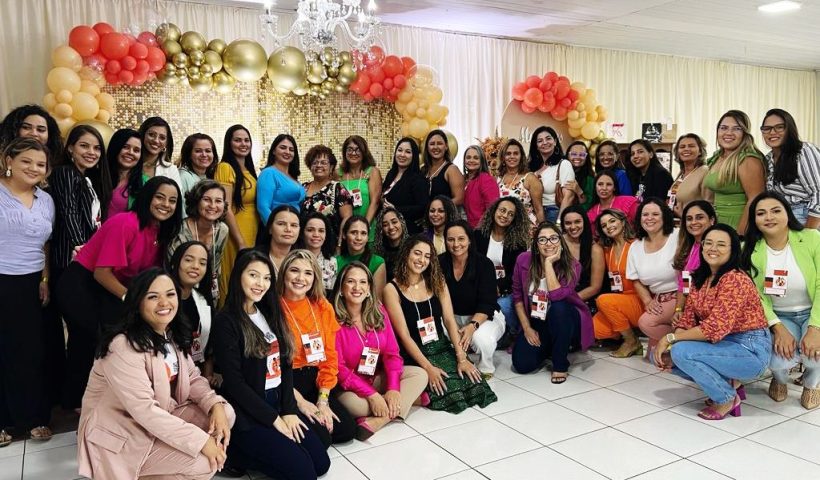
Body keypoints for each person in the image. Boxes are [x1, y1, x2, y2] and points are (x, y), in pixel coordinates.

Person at [77, 268, 235, 479]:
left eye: (170, 294)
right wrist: (201, 442)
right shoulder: (123, 345)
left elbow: (193, 378)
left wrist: (215, 405)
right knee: (203, 462)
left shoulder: (168, 334)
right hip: (122, 432)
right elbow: (145, 411)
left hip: (156, 417)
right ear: (137, 302)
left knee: (225, 415)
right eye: (153, 297)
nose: (164, 303)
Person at [57, 176, 182, 410]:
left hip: (111, 287)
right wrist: (132, 300)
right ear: (147, 198)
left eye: (172, 200)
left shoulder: (160, 233)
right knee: (94, 339)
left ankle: (83, 399)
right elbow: (101, 273)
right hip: (82, 283)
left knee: (105, 339)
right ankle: (81, 403)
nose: (166, 204)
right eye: (160, 197)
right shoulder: (126, 222)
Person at [212, 250, 330, 479]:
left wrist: (288, 411)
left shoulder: (268, 310)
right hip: (248, 411)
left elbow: (285, 364)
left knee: (321, 462)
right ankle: (237, 453)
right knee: (305, 474)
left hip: (277, 400)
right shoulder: (226, 321)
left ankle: (263, 452)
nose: (261, 283)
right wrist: (274, 419)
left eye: (266, 278)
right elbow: (235, 384)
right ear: (238, 276)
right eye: (253, 275)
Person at [658, 224, 771, 420]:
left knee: (681, 352)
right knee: (664, 356)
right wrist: (671, 344)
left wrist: (670, 339)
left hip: (749, 349)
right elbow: (687, 319)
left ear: (733, 250)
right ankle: (731, 383)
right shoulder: (701, 277)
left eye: (721, 244)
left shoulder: (735, 279)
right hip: (722, 344)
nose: (713, 248)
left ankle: (726, 398)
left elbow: (713, 329)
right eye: (708, 243)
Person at [382, 235, 497, 412]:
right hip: (415, 352)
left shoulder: (437, 280)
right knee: (452, 393)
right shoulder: (391, 289)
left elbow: (449, 320)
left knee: (476, 385)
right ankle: (419, 395)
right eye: (417, 253)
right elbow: (404, 336)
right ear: (406, 254)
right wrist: (428, 368)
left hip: (440, 346)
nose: (422, 260)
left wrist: (461, 357)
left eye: (427, 256)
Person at [46, 125, 111, 406]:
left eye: (96, 148)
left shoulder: (86, 179)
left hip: (86, 265)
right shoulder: (64, 173)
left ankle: (77, 396)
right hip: (71, 263)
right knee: (84, 331)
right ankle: (74, 397)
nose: (91, 152)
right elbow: (68, 212)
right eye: (84, 145)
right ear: (70, 148)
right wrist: (82, 248)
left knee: (83, 335)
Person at [739, 192, 820, 410]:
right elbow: (754, 295)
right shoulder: (748, 249)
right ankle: (779, 378)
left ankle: (812, 383)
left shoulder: (812, 238)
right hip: (778, 316)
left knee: (815, 354)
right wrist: (777, 327)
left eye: (776, 211)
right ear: (754, 219)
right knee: (777, 359)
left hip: (813, 311)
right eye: (761, 213)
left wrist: (815, 328)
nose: (769, 217)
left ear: (787, 213)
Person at [333, 262, 428, 439]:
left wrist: (393, 388)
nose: (357, 287)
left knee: (420, 375)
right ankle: (406, 401)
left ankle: (381, 419)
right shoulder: (332, 319)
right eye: (351, 282)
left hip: (376, 377)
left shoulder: (379, 311)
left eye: (363, 282)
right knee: (352, 406)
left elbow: (392, 354)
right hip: (350, 386)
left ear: (369, 288)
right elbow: (339, 369)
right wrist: (372, 395)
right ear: (341, 288)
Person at [0, 138, 54, 446]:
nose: (34, 168)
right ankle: (3, 421)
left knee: (32, 352)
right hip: (2, 278)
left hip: (32, 282)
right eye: (27, 161)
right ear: (9, 160)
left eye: (41, 164)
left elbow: (45, 243)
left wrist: (45, 278)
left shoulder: (45, 200)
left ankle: (34, 418)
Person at [277, 250, 356, 446]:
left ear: (315, 278)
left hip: (314, 379)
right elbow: (272, 368)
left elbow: (329, 357)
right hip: (286, 382)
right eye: (294, 270)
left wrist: (323, 400)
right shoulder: (273, 308)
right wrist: (301, 403)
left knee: (346, 430)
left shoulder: (321, 306)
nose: (300, 278)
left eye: (308, 273)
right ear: (284, 273)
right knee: (323, 438)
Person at [511, 222, 594, 383]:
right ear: (536, 245)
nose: (548, 243)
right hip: (538, 320)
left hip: (566, 319)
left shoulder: (573, 265)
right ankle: (551, 346)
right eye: (542, 240)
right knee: (522, 364)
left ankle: (560, 364)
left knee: (559, 307)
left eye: (553, 238)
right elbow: (518, 297)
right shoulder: (523, 260)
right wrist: (527, 328)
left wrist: (548, 263)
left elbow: (556, 296)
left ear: (561, 241)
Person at [439, 220, 505, 376]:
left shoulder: (484, 264)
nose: (456, 244)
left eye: (461, 239)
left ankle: (486, 367)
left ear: (469, 240)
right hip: (451, 316)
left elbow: (487, 303)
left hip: (484, 317)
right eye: (451, 239)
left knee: (481, 339)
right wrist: (452, 324)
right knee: (437, 336)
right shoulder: (439, 263)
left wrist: (471, 326)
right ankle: (462, 360)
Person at [473, 197, 530, 346]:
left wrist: (498, 286)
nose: (505, 216)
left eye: (510, 214)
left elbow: (516, 274)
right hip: (481, 286)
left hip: (506, 289)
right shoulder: (478, 235)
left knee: (502, 305)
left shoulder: (519, 243)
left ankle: (512, 333)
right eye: (502, 210)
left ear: (514, 219)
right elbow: (473, 265)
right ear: (494, 211)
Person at [627, 198, 679, 357]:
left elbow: (689, 271)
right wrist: (647, 301)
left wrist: (682, 304)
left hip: (681, 295)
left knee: (646, 323)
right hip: (658, 298)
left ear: (664, 217)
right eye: (645, 214)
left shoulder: (677, 236)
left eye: (655, 214)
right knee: (652, 357)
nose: (649, 218)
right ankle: (678, 339)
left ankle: (684, 339)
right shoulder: (635, 246)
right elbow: (635, 279)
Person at [215, 125, 259, 306]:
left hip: (251, 234)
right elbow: (225, 207)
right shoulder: (225, 168)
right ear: (229, 143)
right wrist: (240, 242)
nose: (243, 144)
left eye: (246, 140)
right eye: (237, 140)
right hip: (235, 236)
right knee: (235, 280)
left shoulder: (249, 169)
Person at [703, 110, 766, 234]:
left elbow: (755, 199)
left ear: (744, 133)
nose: (728, 133)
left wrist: (740, 235)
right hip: (717, 225)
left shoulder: (748, 159)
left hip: (737, 225)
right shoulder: (717, 157)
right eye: (723, 128)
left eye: (737, 129)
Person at [592, 209, 644, 357]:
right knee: (594, 328)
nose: (608, 226)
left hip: (640, 299)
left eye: (612, 221)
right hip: (620, 301)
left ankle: (631, 340)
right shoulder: (608, 249)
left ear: (622, 221)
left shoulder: (637, 244)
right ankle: (627, 329)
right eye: (604, 225)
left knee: (603, 300)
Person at [168, 180, 229, 302]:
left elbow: (215, 267)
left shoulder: (223, 230)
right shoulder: (178, 230)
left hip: (207, 291)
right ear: (196, 201)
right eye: (206, 199)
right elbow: (170, 268)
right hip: (176, 291)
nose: (212, 205)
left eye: (218, 201)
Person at [761, 108, 820, 228]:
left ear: (789, 129)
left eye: (779, 127)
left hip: (804, 216)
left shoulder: (804, 151)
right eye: (767, 128)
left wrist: (809, 232)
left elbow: (818, 192)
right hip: (780, 217)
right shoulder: (768, 158)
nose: (772, 132)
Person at [168, 242, 216, 381]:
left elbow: (208, 348)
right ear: (175, 263)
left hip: (195, 376)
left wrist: (208, 376)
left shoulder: (203, 300)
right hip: (167, 374)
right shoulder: (163, 300)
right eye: (189, 260)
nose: (195, 266)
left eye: (202, 263)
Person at [671, 201, 717, 324]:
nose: (694, 222)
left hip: (711, 309)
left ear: (712, 220)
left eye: (699, 217)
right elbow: (683, 284)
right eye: (689, 219)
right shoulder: (688, 248)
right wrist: (679, 310)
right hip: (691, 305)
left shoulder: (717, 248)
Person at [300, 144, 352, 236]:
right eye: (315, 163)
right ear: (310, 167)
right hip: (303, 240)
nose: (319, 165)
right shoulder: (302, 188)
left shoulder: (338, 188)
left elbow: (347, 218)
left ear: (331, 167)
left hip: (329, 241)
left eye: (323, 163)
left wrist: (340, 241)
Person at [127, 117, 182, 203]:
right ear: (142, 135)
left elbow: (176, 201)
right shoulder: (128, 161)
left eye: (162, 138)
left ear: (166, 143)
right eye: (151, 134)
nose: (156, 140)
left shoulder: (171, 170)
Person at [339, 135, 382, 240]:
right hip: (345, 231)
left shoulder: (372, 171)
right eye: (350, 149)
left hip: (368, 228)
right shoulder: (338, 174)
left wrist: (363, 228)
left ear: (364, 152)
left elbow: (375, 202)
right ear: (344, 152)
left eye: (358, 150)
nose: (353, 153)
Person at [381, 137, 429, 234]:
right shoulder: (391, 174)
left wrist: (396, 210)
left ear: (414, 156)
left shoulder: (418, 179)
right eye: (400, 150)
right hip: (388, 230)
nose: (402, 154)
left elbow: (423, 207)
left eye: (408, 152)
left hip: (407, 231)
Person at [561, 206, 604, 310]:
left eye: (577, 222)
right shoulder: (557, 242)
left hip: (582, 297)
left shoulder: (595, 249)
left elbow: (595, 287)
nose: (573, 227)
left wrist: (569, 301)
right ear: (563, 225)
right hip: (557, 294)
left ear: (585, 222)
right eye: (568, 223)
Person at [257, 134, 305, 224]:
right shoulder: (268, 173)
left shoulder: (292, 177)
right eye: (283, 148)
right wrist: (274, 227)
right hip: (278, 229)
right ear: (274, 151)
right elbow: (263, 207)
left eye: (291, 150)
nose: (287, 152)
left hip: (294, 228)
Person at [529, 126, 574, 221]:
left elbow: (569, 197)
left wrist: (559, 222)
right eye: (540, 141)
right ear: (536, 146)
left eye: (548, 138)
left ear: (555, 141)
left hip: (554, 213)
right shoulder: (532, 168)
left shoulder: (564, 164)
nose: (545, 142)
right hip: (533, 214)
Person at [336, 216, 387, 298]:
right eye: (354, 232)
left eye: (363, 233)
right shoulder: (335, 261)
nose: (359, 238)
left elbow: (377, 299)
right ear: (344, 235)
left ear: (368, 237)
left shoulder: (377, 262)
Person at [496, 138, 544, 225]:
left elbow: (539, 209)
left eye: (516, 153)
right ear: (503, 157)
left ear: (521, 157)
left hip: (526, 227)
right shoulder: (498, 179)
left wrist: (544, 229)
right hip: (504, 227)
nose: (512, 156)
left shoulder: (530, 178)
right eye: (508, 154)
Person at [669, 134, 711, 217]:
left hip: (694, 222)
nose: (686, 149)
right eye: (682, 147)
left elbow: (709, 204)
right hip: (679, 221)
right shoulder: (682, 173)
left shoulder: (705, 171)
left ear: (700, 151)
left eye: (691, 146)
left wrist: (684, 215)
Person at [297, 212, 338, 294]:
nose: (316, 234)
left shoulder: (332, 262)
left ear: (326, 235)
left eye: (321, 231)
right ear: (302, 233)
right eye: (310, 230)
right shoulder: (294, 259)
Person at [105, 129, 142, 218]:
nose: (130, 153)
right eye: (125, 147)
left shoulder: (145, 183)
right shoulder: (95, 176)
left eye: (136, 150)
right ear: (115, 147)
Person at [421, 129, 464, 206]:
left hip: (446, 212)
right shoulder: (423, 170)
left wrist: (439, 208)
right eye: (432, 144)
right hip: (424, 213)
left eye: (440, 143)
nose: (435, 147)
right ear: (427, 147)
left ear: (446, 146)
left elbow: (459, 199)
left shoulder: (452, 169)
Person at [462, 145, 500, 228]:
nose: (471, 160)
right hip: (464, 228)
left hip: (480, 229)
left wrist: (478, 229)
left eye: (476, 158)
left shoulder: (486, 179)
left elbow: (492, 208)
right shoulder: (462, 179)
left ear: (482, 160)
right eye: (468, 157)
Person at [259, 205, 300, 276]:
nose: (288, 229)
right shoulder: (253, 258)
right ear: (270, 228)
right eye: (281, 224)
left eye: (294, 225)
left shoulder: (304, 260)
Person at [178, 133, 219, 204]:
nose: (204, 155)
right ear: (189, 154)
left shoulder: (210, 176)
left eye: (208, 151)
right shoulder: (183, 177)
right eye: (198, 151)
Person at [374, 206, 410, 280]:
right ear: (381, 230)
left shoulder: (413, 247)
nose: (391, 227)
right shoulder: (379, 252)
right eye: (385, 225)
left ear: (401, 222)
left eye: (394, 222)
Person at [564, 141, 595, 212]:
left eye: (582, 154)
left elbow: (588, 206)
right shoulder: (559, 172)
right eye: (574, 154)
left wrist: (579, 191)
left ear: (586, 157)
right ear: (567, 155)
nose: (577, 157)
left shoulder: (590, 179)